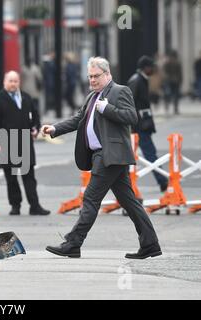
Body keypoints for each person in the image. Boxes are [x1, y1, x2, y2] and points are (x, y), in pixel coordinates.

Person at [42, 56, 162, 260]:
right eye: (90, 76)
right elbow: (78, 119)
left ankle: (73, 243)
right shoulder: (92, 96)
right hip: (104, 156)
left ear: (108, 75)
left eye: (96, 76)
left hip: (110, 155)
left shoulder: (119, 91)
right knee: (129, 202)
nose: (92, 80)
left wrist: (108, 109)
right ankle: (150, 244)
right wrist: (55, 128)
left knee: (90, 199)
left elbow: (132, 117)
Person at [0, 71, 50, 216]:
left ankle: (34, 206)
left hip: (25, 141)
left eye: (15, 81)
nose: (13, 84)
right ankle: (15, 206)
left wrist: (35, 127)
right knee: (11, 177)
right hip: (6, 142)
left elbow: (35, 116)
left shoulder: (26, 98)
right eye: (10, 81)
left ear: (19, 82)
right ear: (4, 82)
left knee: (29, 176)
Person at [127, 56, 168, 192]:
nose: (153, 69)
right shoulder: (137, 81)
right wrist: (133, 125)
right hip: (140, 125)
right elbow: (130, 103)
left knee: (133, 155)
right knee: (149, 154)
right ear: (145, 67)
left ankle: (162, 180)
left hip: (143, 124)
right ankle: (162, 180)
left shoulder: (140, 79)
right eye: (151, 66)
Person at [163, 50, 182, 115]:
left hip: (170, 80)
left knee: (170, 94)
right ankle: (174, 108)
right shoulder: (177, 63)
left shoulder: (168, 63)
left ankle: (169, 106)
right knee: (174, 95)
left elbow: (165, 71)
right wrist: (180, 80)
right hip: (175, 81)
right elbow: (180, 73)